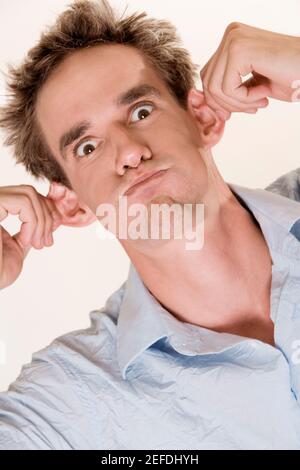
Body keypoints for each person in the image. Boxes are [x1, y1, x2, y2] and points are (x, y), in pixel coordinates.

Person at [0, 0, 300, 450]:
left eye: (141, 111)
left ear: (201, 117)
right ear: (72, 202)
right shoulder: (69, 397)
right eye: (87, 147)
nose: (127, 152)